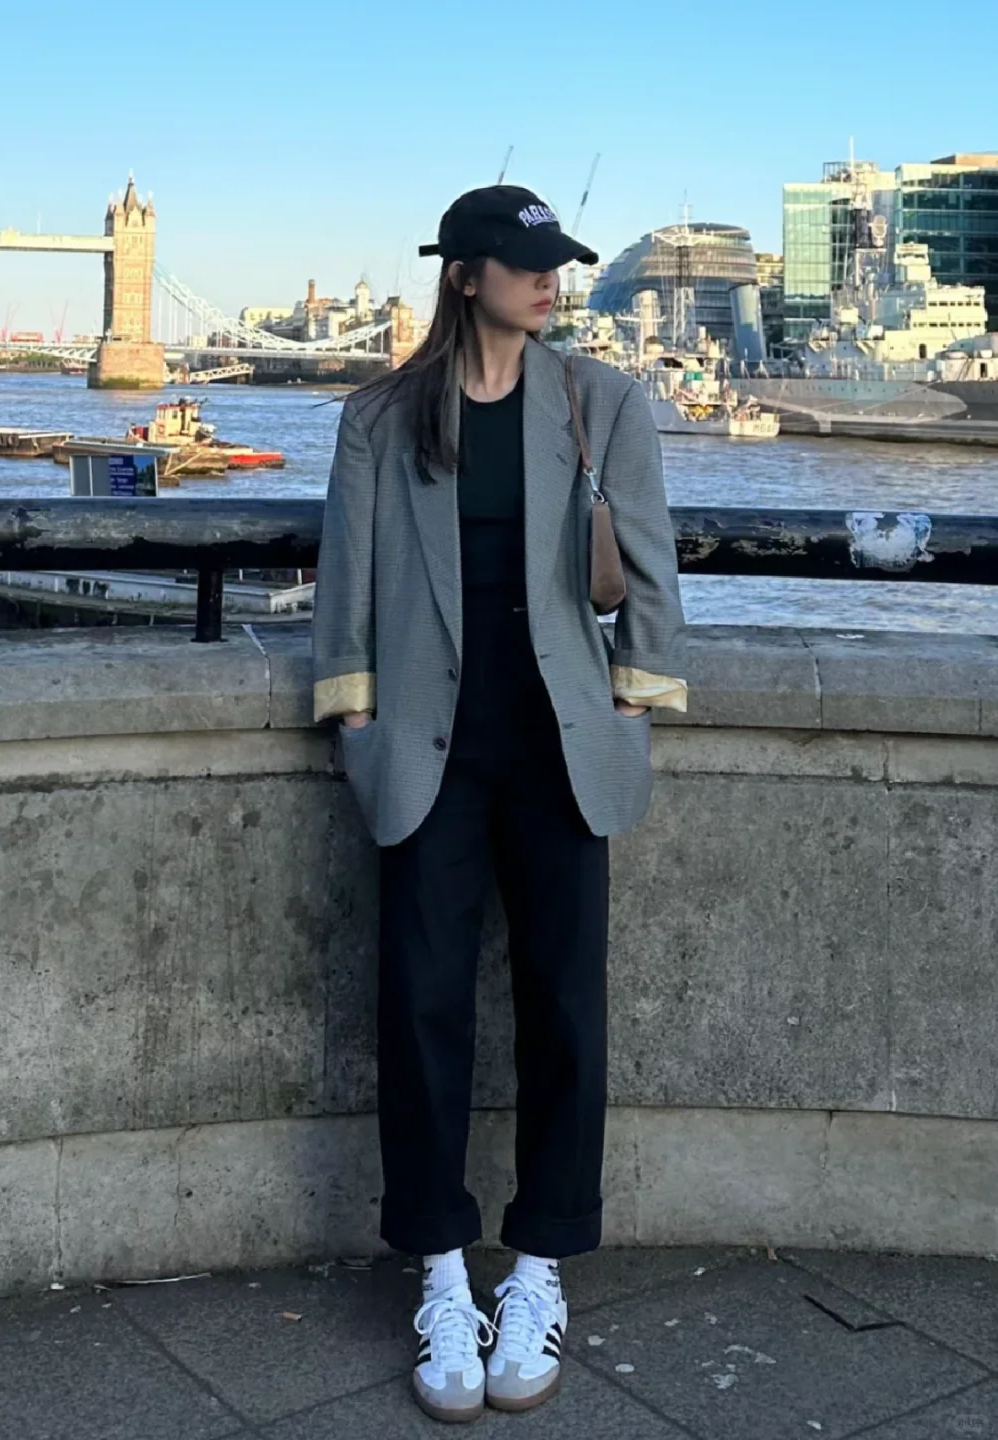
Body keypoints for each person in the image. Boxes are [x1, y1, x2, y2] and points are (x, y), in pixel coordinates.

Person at [312, 184, 687, 1422]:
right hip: (429, 748)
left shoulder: (601, 400)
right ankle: (437, 1270)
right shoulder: (382, 415)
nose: (550, 282)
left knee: (565, 1006)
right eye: (527, 265)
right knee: (419, 1006)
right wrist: (355, 720)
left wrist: (636, 700)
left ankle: (539, 1267)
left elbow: (648, 565)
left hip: (561, 745)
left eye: (556, 265)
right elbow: (348, 581)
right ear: (464, 275)